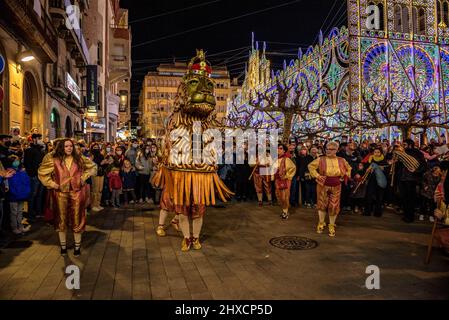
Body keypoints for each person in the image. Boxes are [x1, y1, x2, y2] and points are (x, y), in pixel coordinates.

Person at [38, 138, 97, 256]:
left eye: (71, 146)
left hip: (77, 192)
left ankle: (77, 247)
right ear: (61, 147)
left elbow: (93, 167)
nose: (69, 148)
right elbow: (41, 172)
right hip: (60, 193)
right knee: (61, 219)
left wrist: (83, 177)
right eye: (66, 146)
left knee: (78, 218)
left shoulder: (79, 158)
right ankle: (63, 247)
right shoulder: (54, 160)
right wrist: (51, 183)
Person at [308, 141, 352, 237]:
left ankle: (331, 225)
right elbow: (310, 166)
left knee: (334, 205)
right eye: (327, 148)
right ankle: (321, 222)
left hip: (336, 185)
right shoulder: (321, 159)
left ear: (336, 150)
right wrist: (317, 175)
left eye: (331, 149)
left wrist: (344, 176)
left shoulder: (342, 160)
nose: (328, 150)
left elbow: (349, 168)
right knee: (322, 203)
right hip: (323, 184)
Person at [23, 133, 46, 220]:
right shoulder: (29, 150)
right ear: (33, 139)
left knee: (40, 195)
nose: (40, 139)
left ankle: (38, 212)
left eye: (40, 138)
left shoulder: (41, 150)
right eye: (38, 138)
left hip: (41, 176)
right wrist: (32, 174)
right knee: (33, 194)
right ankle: (31, 213)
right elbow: (27, 163)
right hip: (34, 176)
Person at [7, 155, 31, 235]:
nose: (17, 162)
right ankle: (14, 228)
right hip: (13, 196)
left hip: (21, 195)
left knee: (20, 211)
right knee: (14, 212)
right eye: (14, 160)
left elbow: (26, 182)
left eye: (17, 160)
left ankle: (20, 227)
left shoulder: (22, 170)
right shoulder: (8, 171)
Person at [272, 144, 297, 219]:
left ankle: (285, 212)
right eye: (278, 148)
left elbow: (293, 168)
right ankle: (284, 210)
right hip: (277, 180)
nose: (278, 149)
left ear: (284, 150)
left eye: (280, 148)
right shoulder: (276, 159)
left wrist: (286, 176)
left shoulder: (287, 159)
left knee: (285, 196)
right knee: (279, 195)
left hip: (285, 180)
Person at [363, 147, 388, 217]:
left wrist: (383, 169)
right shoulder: (370, 159)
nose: (376, 154)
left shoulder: (384, 160)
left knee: (379, 197)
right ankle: (367, 211)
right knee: (369, 195)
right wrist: (368, 169)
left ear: (381, 153)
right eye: (375, 152)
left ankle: (377, 212)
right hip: (371, 180)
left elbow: (388, 170)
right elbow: (365, 168)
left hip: (380, 181)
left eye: (378, 152)